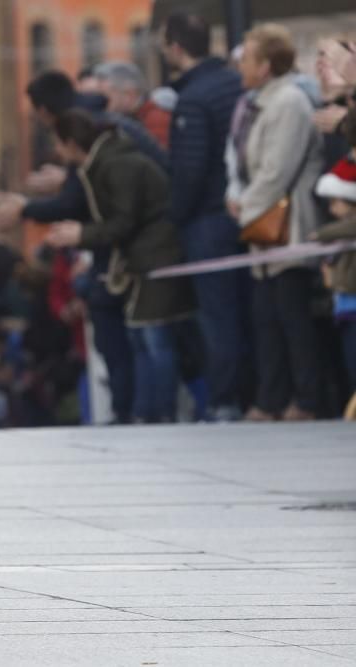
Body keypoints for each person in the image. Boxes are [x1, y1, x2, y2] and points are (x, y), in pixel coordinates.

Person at [46, 110, 196, 423]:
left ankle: (161, 414)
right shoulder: (105, 163)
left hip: (156, 255)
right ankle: (147, 413)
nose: (58, 153)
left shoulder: (116, 164)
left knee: (154, 339)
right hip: (140, 257)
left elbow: (123, 221)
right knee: (142, 338)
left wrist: (81, 234)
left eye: (59, 145)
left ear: (72, 143)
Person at [227, 25, 324, 422]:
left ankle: (307, 399)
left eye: (248, 60)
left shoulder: (288, 102)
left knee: (293, 319)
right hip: (266, 230)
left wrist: (244, 207)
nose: (241, 67)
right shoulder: (262, 102)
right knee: (267, 319)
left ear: (265, 66)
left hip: (288, 227)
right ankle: (271, 398)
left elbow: (276, 171)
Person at [161, 11, 251, 421]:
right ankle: (250, 395)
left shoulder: (193, 98)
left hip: (207, 221)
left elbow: (191, 169)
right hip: (241, 213)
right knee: (246, 312)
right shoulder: (234, 83)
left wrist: (176, 216)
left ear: (175, 48)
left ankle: (224, 401)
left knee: (217, 318)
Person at [314, 143, 356, 419]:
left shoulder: (346, 228)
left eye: (335, 201)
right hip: (344, 305)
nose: (331, 208)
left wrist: (320, 234)